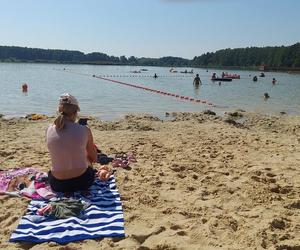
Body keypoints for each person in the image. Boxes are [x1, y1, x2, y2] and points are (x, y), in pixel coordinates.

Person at [46, 93, 98, 192]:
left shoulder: (49, 129)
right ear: (76, 112)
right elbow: (94, 158)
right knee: (86, 156)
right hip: (83, 181)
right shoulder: (84, 130)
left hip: (57, 184)